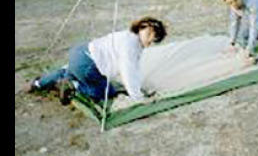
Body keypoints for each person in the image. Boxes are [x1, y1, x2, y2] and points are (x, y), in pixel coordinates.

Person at [24, 17, 167, 105]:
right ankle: (73, 85)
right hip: (88, 64)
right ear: (140, 28)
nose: (150, 39)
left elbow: (129, 67)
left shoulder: (126, 35)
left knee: (67, 71)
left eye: (154, 38)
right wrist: (137, 96)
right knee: (107, 91)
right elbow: (128, 70)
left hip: (79, 52)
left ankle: (37, 84)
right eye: (148, 34)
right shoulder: (131, 45)